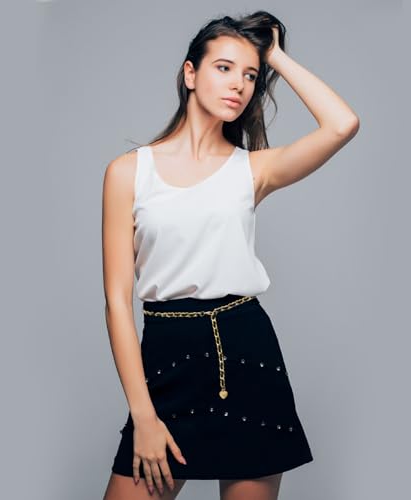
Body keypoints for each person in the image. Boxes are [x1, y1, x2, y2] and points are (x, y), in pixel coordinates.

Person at [101, 10, 359, 500]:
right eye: (223, 68)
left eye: (250, 75)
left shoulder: (253, 170)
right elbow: (117, 301)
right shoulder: (128, 172)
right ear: (190, 73)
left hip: (247, 353)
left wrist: (275, 56)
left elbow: (342, 124)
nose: (239, 84)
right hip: (167, 358)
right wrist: (143, 415)